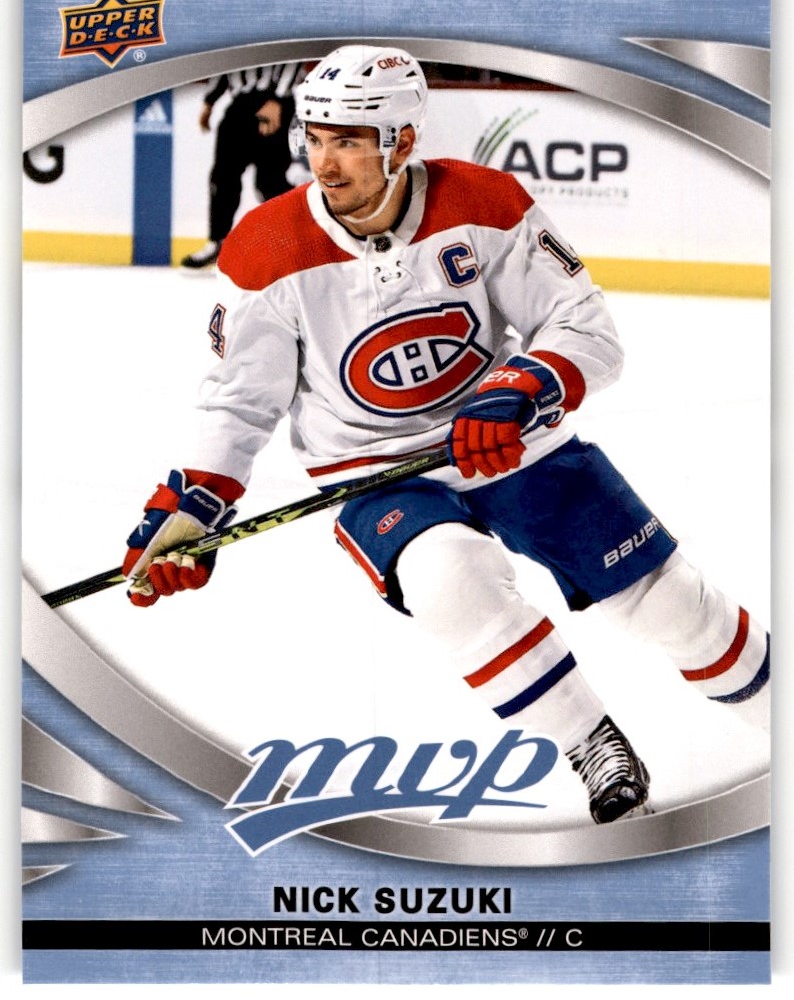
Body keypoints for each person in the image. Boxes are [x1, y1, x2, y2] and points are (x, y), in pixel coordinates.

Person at [124, 45, 770, 825]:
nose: (324, 163)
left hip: (510, 443)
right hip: (376, 470)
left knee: (672, 606)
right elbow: (236, 403)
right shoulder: (266, 247)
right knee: (447, 581)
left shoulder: (483, 201)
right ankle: (591, 742)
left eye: (348, 141)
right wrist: (192, 503)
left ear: (401, 140)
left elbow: (586, 328)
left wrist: (519, 388)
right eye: (316, 137)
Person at [180, 63, 305, 271]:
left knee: (270, 183)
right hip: (240, 104)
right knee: (223, 177)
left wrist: (277, 98)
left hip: (275, 101)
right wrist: (210, 101)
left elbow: (292, 55)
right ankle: (217, 242)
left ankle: (296, 245)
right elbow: (230, 57)